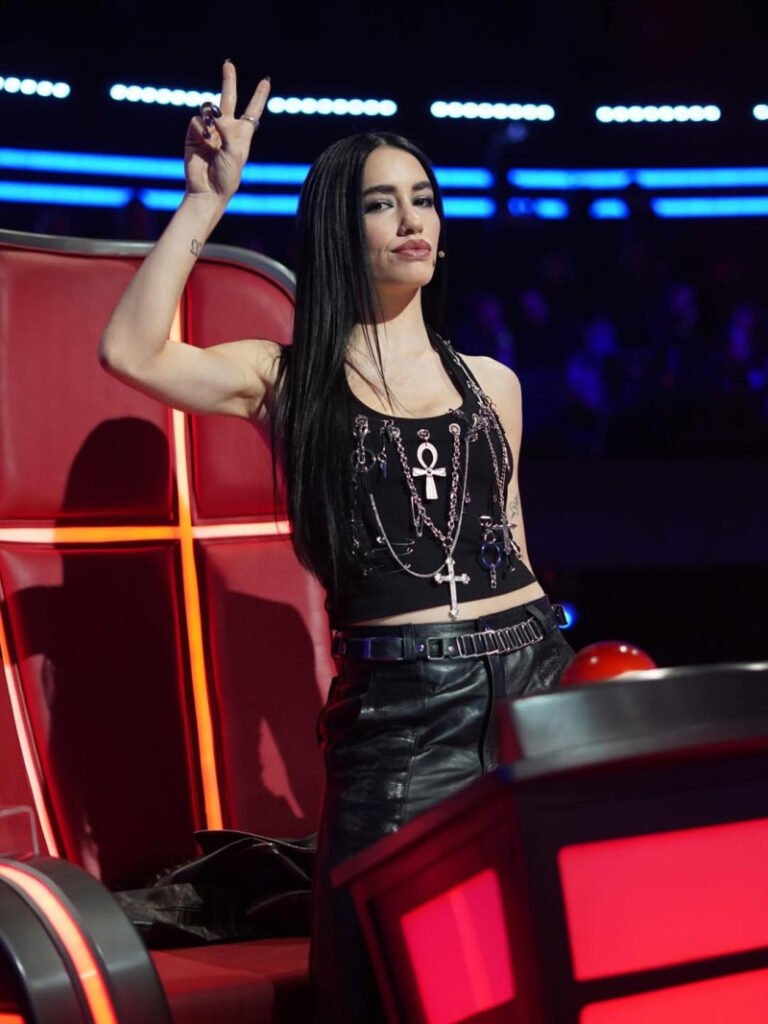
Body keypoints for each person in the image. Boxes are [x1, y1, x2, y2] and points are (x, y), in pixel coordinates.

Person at [100, 61, 573, 1023]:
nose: (411, 220)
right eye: (380, 204)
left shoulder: (495, 382)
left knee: (535, 963)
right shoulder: (287, 378)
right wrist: (205, 202)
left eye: (423, 199)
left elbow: (514, 544)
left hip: (532, 684)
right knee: (373, 978)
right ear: (337, 229)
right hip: (401, 713)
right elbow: (130, 352)